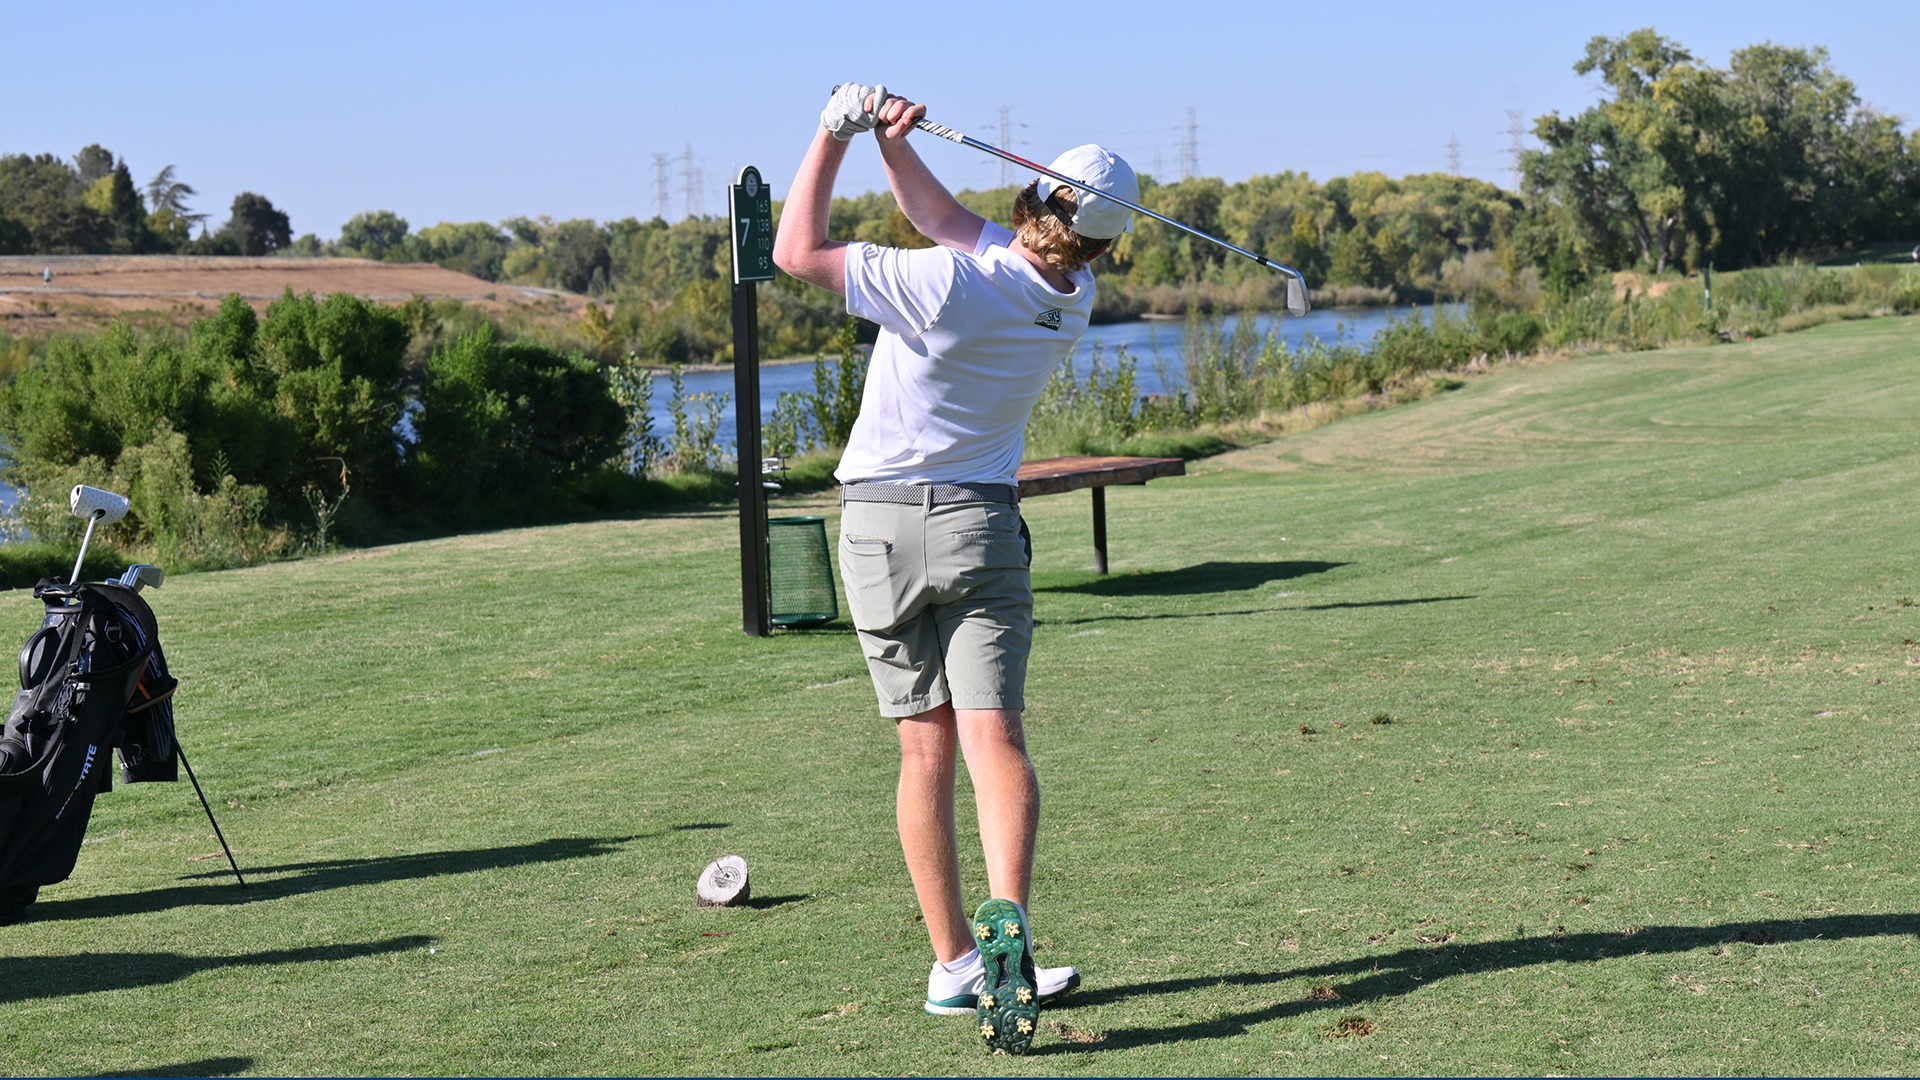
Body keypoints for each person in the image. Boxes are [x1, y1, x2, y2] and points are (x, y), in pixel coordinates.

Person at [772, 83, 1137, 1055]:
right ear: (1100, 244)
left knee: (923, 753)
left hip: (879, 529)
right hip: (981, 526)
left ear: (1032, 199)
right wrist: (895, 144)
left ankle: (953, 964)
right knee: (995, 739)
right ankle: (1010, 931)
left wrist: (833, 131)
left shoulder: (945, 285)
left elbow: (796, 252)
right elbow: (942, 217)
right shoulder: (1071, 300)